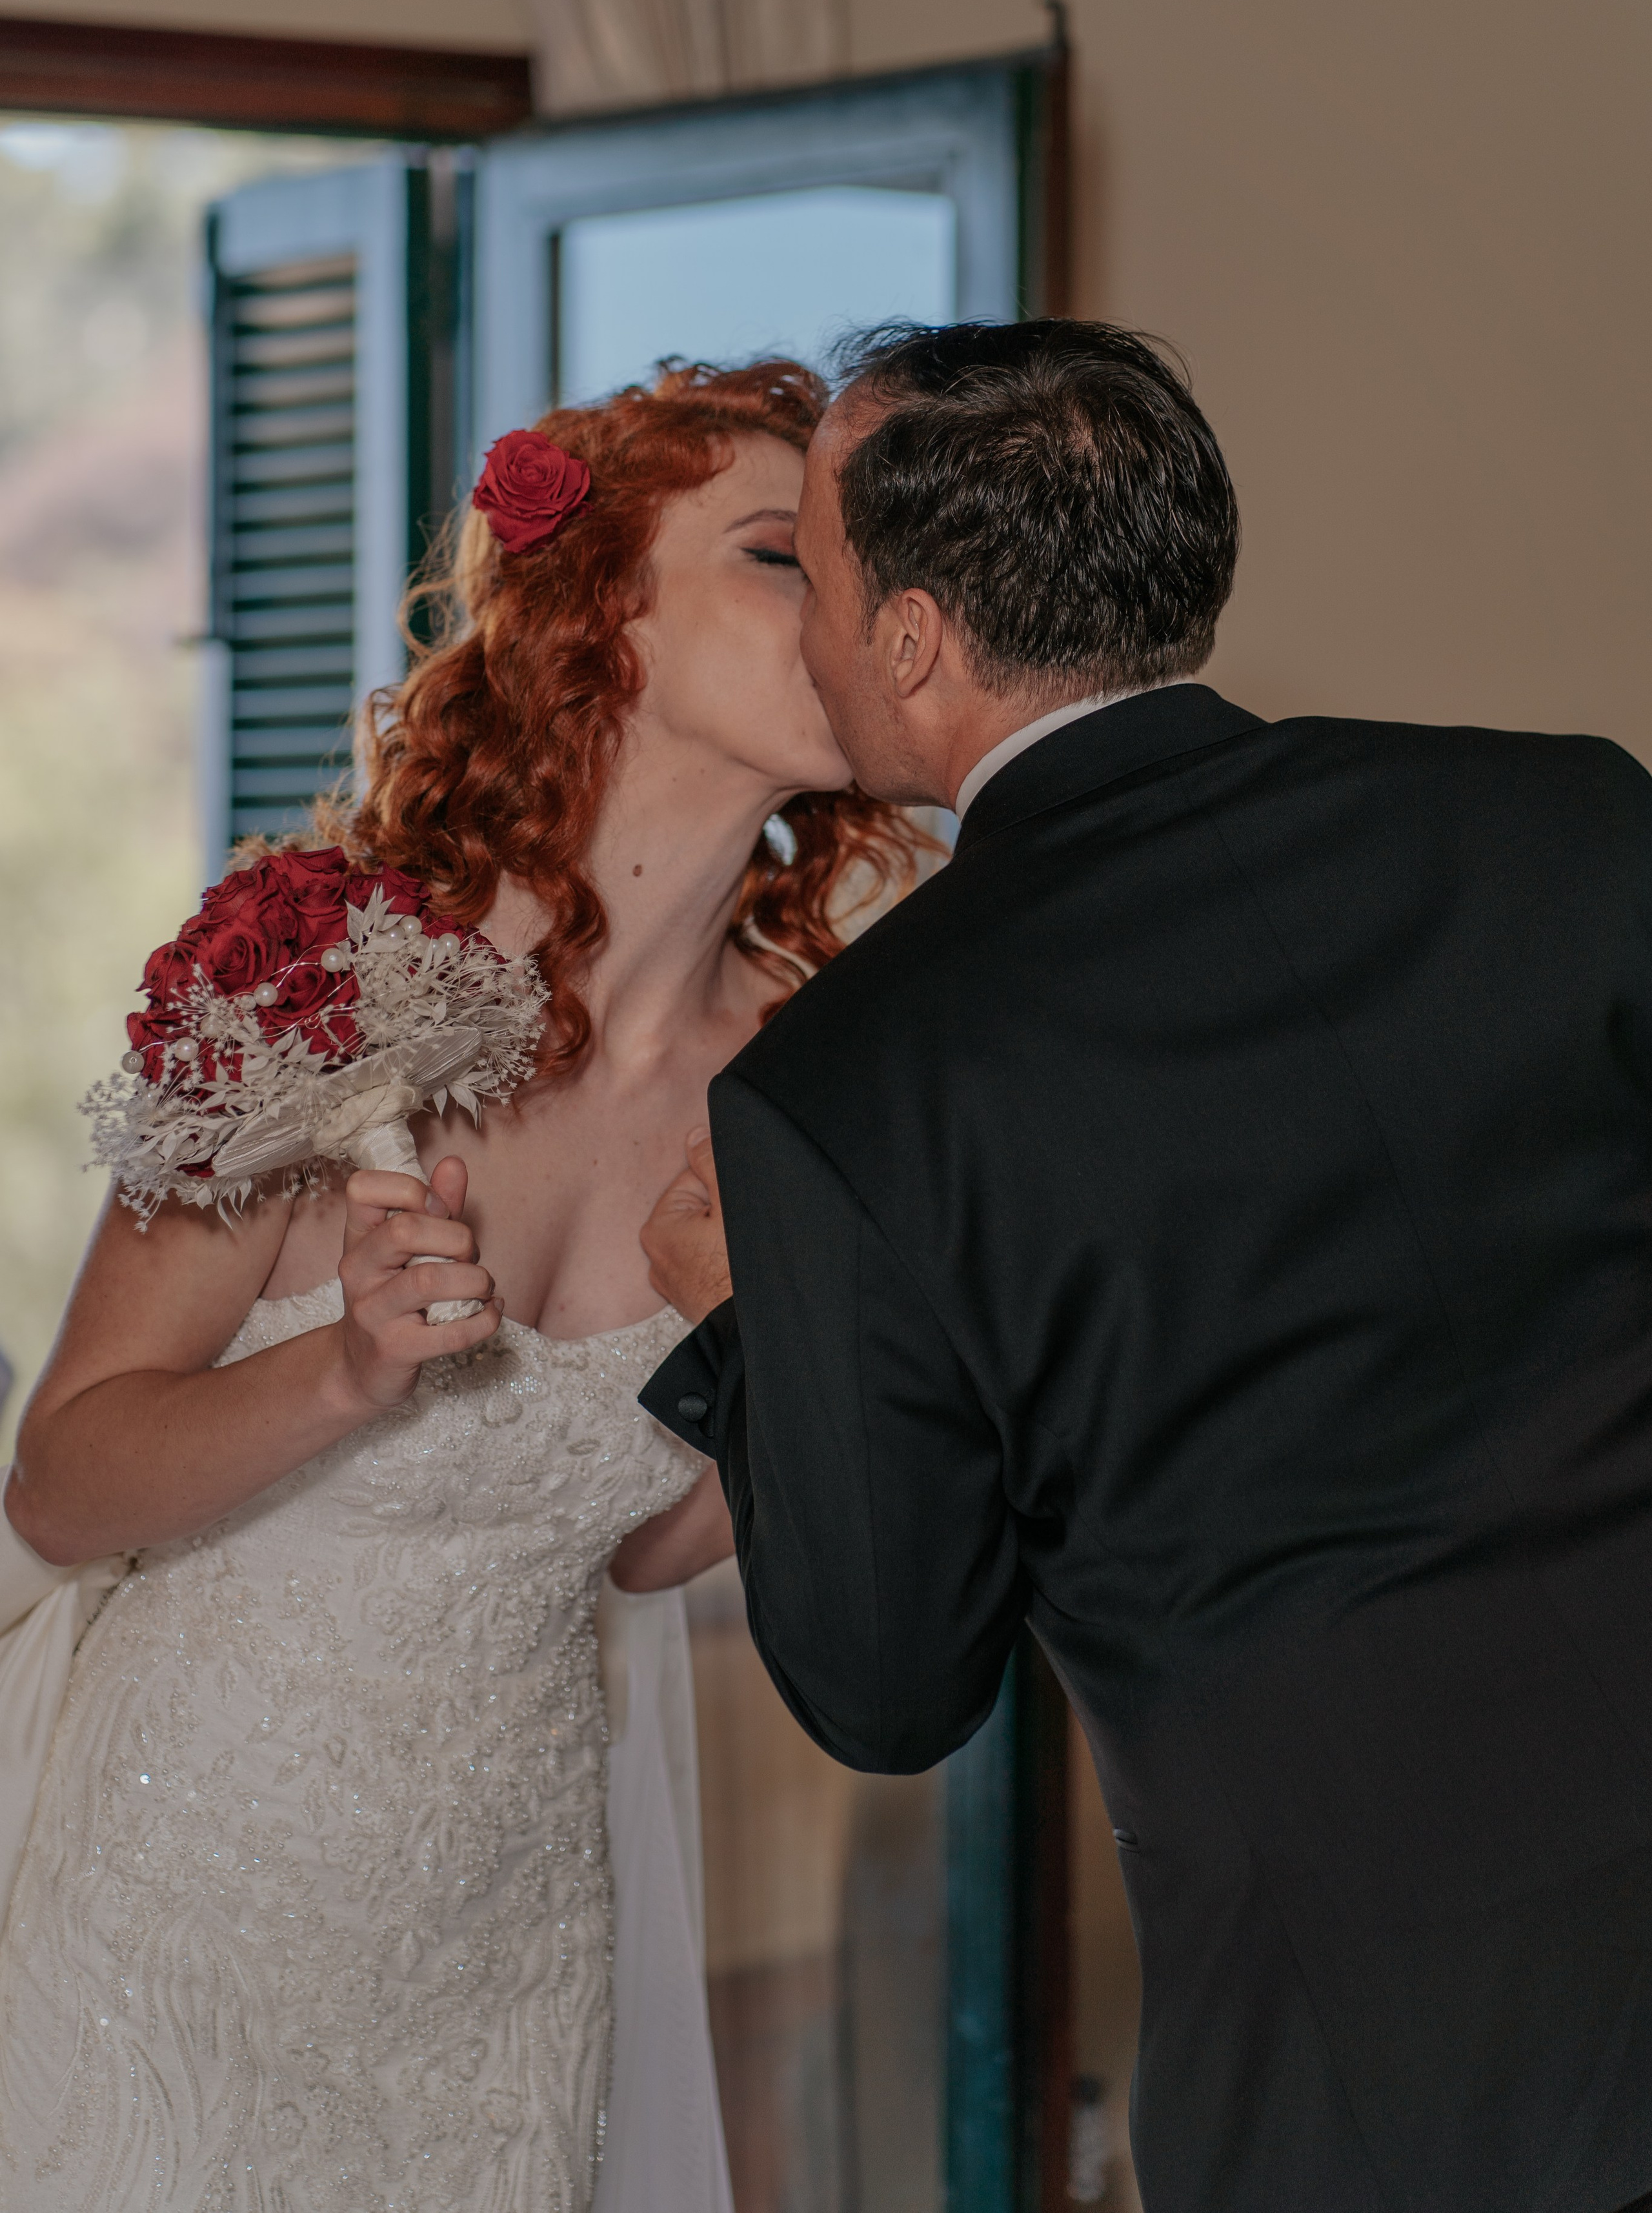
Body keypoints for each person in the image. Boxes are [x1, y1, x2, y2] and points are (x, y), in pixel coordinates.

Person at [640, 318, 1652, 2213]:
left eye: (824, 585)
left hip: (1368, 2078)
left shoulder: (855, 1083)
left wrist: (732, 1315)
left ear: (916, 642)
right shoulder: (1577, 818)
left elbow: (889, 1679)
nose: (813, 634)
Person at [0, 359, 914, 2213]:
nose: (850, 599)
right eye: (776, 550)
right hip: (172, 1917)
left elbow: (647, 1552)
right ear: (608, 620)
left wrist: (771, 1339)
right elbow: (64, 1475)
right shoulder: (329, 966)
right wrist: (339, 1374)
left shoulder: (815, 1068)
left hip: (504, 1942)